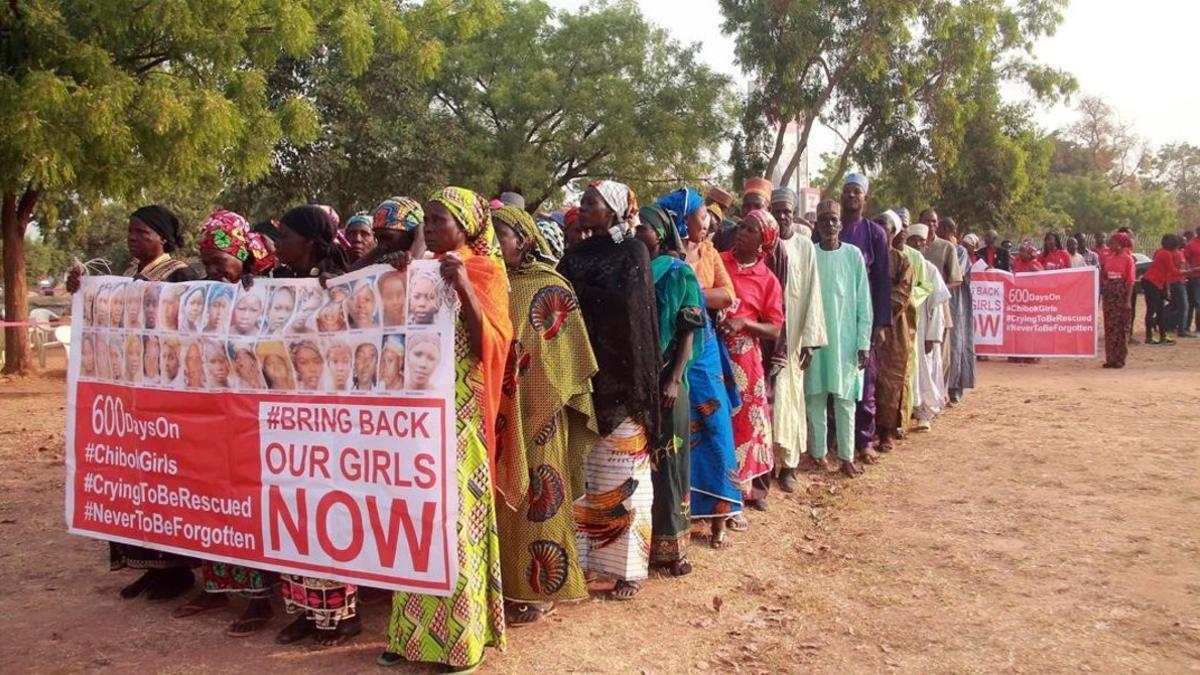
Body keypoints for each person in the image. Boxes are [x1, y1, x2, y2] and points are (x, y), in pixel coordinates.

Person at [380, 187, 512, 670]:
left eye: (438, 221)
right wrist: (393, 277)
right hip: (414, 418)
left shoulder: (485, 272)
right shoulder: (417, 271)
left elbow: (491, 346)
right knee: (411, 521)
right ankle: (408, 635)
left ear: (467, 226)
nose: (429, 229)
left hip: (459, 420)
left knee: (454, 526)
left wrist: (465, 290)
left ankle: (460, 641)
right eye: (426, 222)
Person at [63, 205, 199, 601]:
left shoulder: (181, 275)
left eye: (141, 233)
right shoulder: (124, 277)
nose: (132, 239)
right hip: (128, 398)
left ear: (163, 238)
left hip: (164, 397)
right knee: (133, 482)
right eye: (130, 232)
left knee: (163, 484)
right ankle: (147, 568)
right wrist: (81, 290)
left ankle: (174, 572)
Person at [491, 204, 599, 625]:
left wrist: (538, 390)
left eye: (502, 235)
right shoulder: (487, 282)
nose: (496, 244)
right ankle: (506, 585)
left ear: (524, 240)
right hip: (496, 410)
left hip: (541, 412)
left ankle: (541, 591)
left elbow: (566, 353)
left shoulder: (551, 287)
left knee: (539, 495)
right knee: (502, 495)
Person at [557, 180, 660, 602]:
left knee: (625, 478)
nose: (583, 207)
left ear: (615, 209)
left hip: (623, 382)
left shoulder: (633, 252)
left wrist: (582, 296)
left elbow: (629, 312)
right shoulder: (574, 256)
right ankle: (584, 564)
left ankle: (629, 571)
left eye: (592, 201)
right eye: (582, 201)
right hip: (583, 380)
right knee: (588, 475)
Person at [636, 205, 704, 576]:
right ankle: (643, 545)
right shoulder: (637, 268)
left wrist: (675, 378)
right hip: (641, 380)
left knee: (671, 463)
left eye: (643, 228)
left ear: (660, 233)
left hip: (668, 380)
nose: (637, 233)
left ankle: (675, 549)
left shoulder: (679, 273)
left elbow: (689, 329)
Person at [678, 190, 744, 547]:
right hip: (672, 348)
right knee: (679, 431)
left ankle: (719, 516)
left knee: (716, 428)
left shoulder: (709, 254)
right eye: (699, 216)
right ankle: (681, 514)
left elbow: (727, 295)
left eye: (705, 218)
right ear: (682, 219)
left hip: (704, 349)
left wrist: (688, 292)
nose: (705, 223)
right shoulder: (667, 254)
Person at [822, 174, 891, 463]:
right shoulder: (827, 231)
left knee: (864, 381)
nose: (851, 196)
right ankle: (831, 442)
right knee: (828, 379)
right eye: (847, 192)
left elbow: (882, 281)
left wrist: (880, 323)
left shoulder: (875, 234)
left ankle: (864, 441)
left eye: (856, 192)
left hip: (861, 320)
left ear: (865, 198)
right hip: (831, 318)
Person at [720, 210, 784, 511]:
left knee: (745, 427)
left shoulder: (768, 280)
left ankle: (742, 496)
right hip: (713, 354)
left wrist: (745, 324)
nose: (741, 232)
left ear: (763, 242)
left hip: (745, 361)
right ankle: (715, 495)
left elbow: (774, 328)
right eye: (741, 226)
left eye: (750, 230)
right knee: (716, 422)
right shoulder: (719, 261)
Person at [804, 200, 872, 477]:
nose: (829, 225)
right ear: (817, 226)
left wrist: (863, 342)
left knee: (845, 399)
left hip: (846, 340)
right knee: (815, 397)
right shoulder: (810, 254)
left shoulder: (853, 255)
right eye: (824, 221)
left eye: (834, 220)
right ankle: (818, 454)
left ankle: (846, 457)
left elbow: (863, 303)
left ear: (841, 224)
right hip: (816, 338)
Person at [768, 186, 827, 492]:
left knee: (791, 399)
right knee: (765, 402)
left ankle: (789, 466)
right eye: (776, 212)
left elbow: (813, 293)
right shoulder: (763, 242)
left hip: (794, 339)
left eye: (786, 212)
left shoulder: (805, 246)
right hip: (767, 336)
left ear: (793, 215)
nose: (781, 217)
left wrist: (811, 340)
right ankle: (763, 467)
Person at [873, 211, 915, 452]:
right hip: (864, 326)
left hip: (893, 328)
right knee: (869, 382)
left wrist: (879, 313)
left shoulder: (901, 260)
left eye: (884, 227)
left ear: (893, 232)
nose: (879, 230)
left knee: (890, 381)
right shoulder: (864, 255)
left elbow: (902, 294)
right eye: (876, 225)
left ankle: (887, 433)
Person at [907, 224, 951, 431]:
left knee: (925, 373)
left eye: (921, 241)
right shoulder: (900, 264)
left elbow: (937, 308)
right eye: (913, 240)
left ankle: (924, 414)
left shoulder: (930, 271)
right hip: (903, 332)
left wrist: (932, 337)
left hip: (923, 332)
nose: (917, 244)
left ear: (926, 245)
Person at [941, 218, 975, 405]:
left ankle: (955, 388)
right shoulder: (933, 247)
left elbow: (955, 275)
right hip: (936, 301)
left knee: (956, 345)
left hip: (955, 302)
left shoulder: (959, 251)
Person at [1141, 234, 1185, 345]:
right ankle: (1149, 337)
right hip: (1152, 282)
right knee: (1152, 310)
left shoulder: (1163, 252)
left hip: (1154, 283)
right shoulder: (1165, 254)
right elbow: (1173, 270)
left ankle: (1162, 335)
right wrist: (1192, 270)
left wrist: (1167, 289)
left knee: (1159, 310)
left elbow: (1167, 273)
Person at [1101, 232, 1136, 368]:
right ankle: (1110, 358)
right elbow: (1105, 274)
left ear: (1121, 244)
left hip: (1121, 294)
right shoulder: (1108, 258)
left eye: (1113, 242)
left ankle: (1120, 358)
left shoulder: (1128, 259)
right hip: (1109, 294)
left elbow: (1131, 281)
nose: (1111, 244)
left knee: (1121, 327)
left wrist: (1127, 300)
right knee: (1110, 326)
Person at [714, 176, 772, 252]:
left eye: (758, 206)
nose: (751, 211)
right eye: (746, 206)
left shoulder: (774, 246)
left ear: (769, 210)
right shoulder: (723, 235)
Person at [1185, 228, 1200, 334]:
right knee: (1194, 302)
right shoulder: (1191, 245)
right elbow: (1185, 260)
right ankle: (1188, 326)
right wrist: (1192, 269)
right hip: (1194, 277)